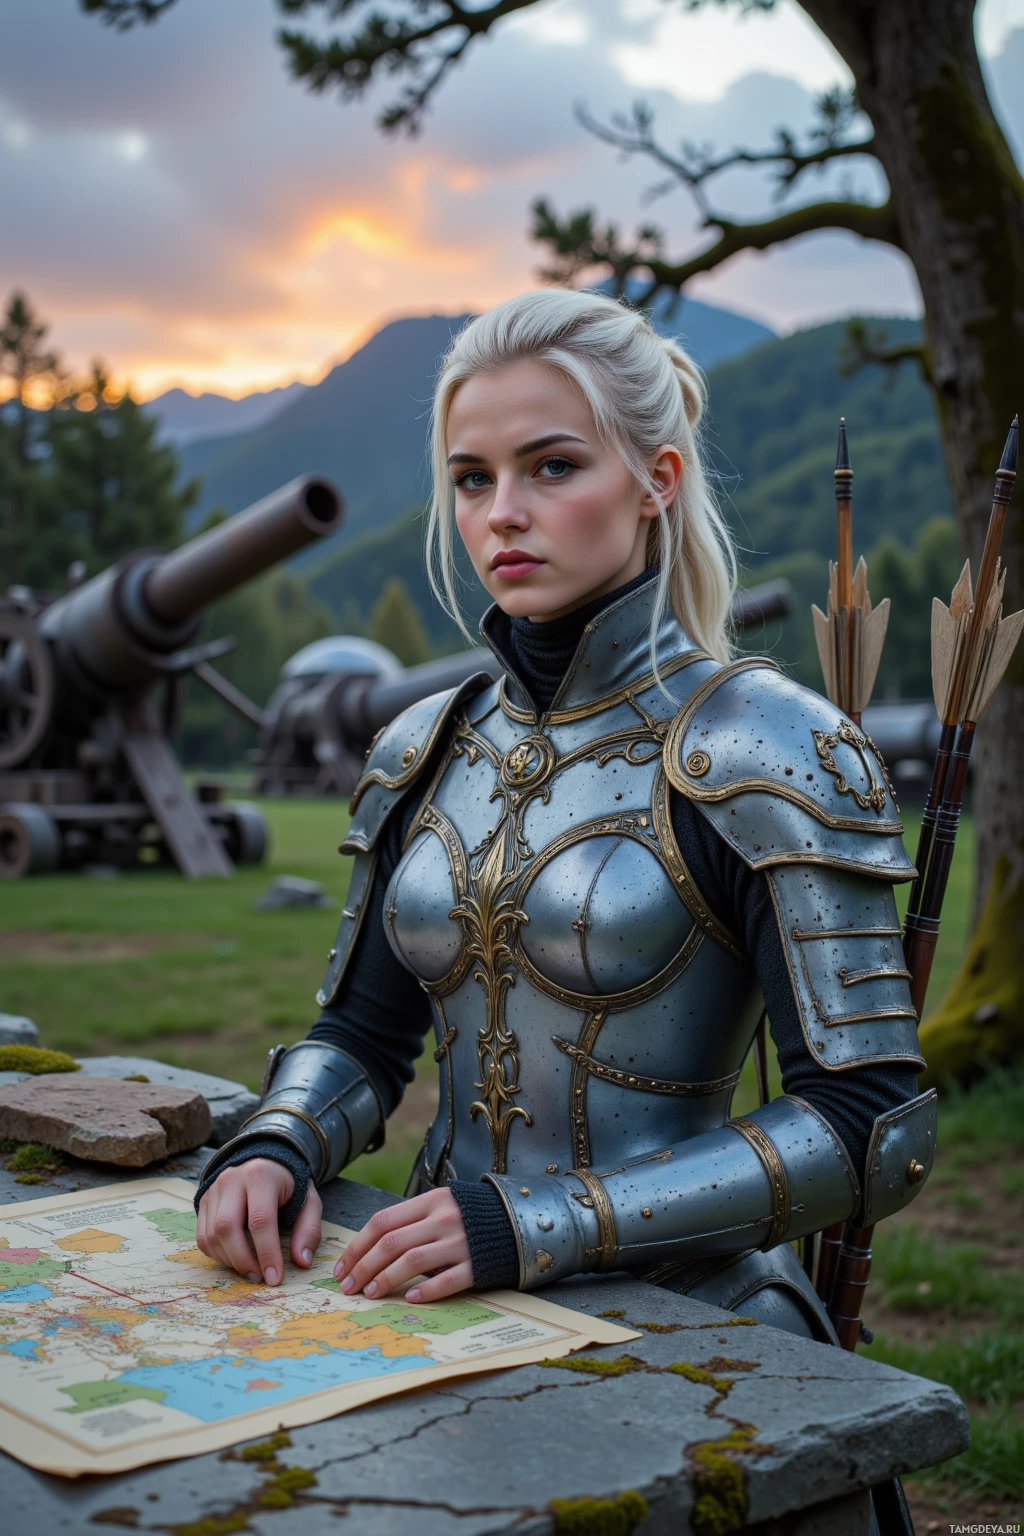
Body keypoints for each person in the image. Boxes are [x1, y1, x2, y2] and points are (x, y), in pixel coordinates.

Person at [195, 289, 935, 1341]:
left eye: (551, 466)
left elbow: (868, 1129)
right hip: (434, 1285)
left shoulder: (765, 749)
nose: (502, 510)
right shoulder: (423, 749)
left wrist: (539, 1221)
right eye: (470, 478)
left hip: (691, 1308)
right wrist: (277, 1143)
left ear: (654, 483)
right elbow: (362, 1034)